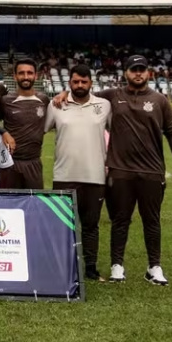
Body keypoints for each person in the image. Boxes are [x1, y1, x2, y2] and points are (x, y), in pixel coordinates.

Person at [99, 55, 172, 285]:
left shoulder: (160, 100)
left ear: (148, 73)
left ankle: (154, 267)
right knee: (120, 219)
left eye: (142, 69)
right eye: (133, 69)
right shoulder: (112, 96)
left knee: (152, 220)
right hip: (120, 170)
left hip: (152, 171)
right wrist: (65, 95)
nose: (138, 73)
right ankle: (117, 265)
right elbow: (83, 95)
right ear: (125, 72)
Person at [45, 64, 112, 282]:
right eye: (75, 82)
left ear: (91, 83)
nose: (80, 85)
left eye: (84, 81)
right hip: (64, 176)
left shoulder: (104, 105)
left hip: (95, 176)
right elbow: (41, 130)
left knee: (91, 225)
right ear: (69, 83)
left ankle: (90, 268)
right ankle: (62, 266)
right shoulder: (56, 105)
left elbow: (118, 133)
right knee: (63, 226)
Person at [0, 58, 50, 190]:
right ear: (15, 76)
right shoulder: (5, 100)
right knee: (7, 201)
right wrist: (3, 133)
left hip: (33, 162)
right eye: (21, 73)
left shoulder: (44, 100)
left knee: (35, 201)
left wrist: (64, 93)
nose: (26, 77)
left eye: (30, 73)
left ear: (36, 76)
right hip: (10, 162)